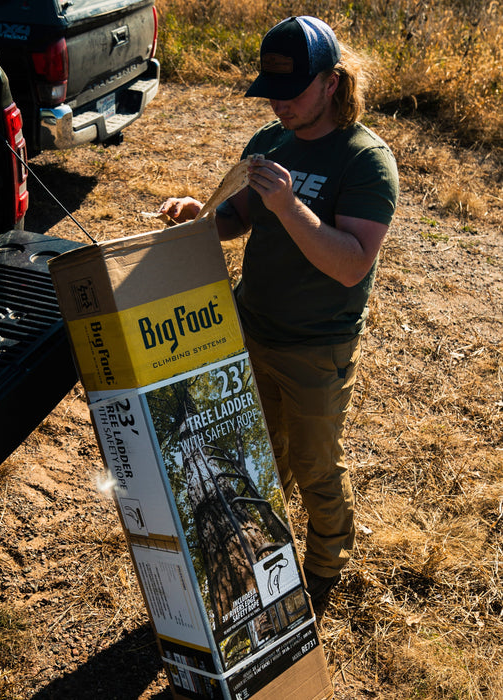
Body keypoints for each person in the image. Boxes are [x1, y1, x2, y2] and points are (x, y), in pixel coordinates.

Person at [159, 16, 399, 605]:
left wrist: (291, 206)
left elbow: (350, 264)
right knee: (253, 453)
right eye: (270, 90)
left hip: (317, 345)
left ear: (333, 82)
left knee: (315, 463)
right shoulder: (268, 143)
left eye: (291, 92)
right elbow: (238, 219)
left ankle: (321, 570)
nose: (279, 103)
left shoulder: (364, 161)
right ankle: (261, 548)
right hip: (251, 327)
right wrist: (202, 214)